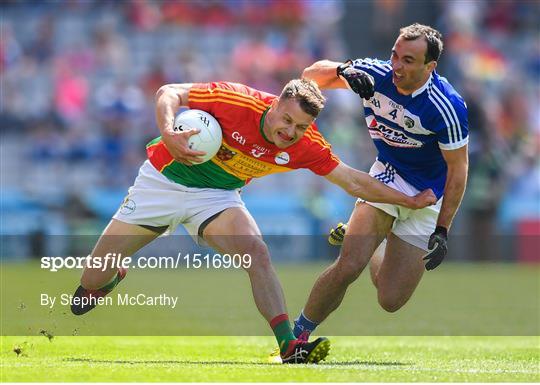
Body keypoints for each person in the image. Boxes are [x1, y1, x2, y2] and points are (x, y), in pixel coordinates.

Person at [69, 78, 436, 364]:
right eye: (287, 119)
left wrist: (409, 200)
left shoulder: (305, 145)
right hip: (162, 182)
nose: (290, 132)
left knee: (256, 252)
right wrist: (168, 131)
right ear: (273, 104)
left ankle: (289, 345)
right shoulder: (235, 100)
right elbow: (170, 92)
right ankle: (112, 276)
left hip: (216, 199)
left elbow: (353, 180)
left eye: (301, 126)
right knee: (89, 284)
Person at [291, 23, 469, 339]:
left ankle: (379, 240)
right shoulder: (375, 73)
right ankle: (295, 337)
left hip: (428, 195)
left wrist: (443, 229)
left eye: (408, 60)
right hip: (387, 178)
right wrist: (343, 70)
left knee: (390, 300)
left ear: (431, 66)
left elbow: (458, 170)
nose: (396, 66)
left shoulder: (447, 107)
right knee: (349, 265)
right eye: (394, 55)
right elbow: (309, 74)